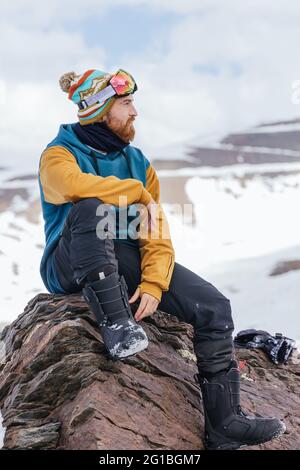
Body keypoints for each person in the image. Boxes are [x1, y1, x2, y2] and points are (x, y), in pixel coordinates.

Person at [37, 68, 285, 450]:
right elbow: (72, 187)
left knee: (213, 306)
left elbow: (155, 236)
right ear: (99, 110)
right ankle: (117, 326)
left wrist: (153, 283)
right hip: (70, 260)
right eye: (126, 103)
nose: (135, 112)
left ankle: (225, 423)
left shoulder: (139, 161)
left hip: (121, 256)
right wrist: (134, 192)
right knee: (90, 207)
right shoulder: (58, 155)